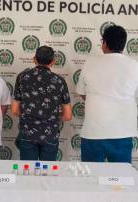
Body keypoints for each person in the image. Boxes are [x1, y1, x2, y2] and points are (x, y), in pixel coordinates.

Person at [76, 25, 138, 163]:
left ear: (104, 43)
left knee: (90, 178)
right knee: (120, 180)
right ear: (123, 44)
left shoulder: (90, 62)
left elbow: (81, 92)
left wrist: (96, 100)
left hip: (94, 131)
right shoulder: (134, 65)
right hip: (123, 131)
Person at [12, 45, 72, 161]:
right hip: (50, 135)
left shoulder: (22, 77)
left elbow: (14, 110)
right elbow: (68, 115)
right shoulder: (59, 81)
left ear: (34, 59)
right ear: (53, 62)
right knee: (48, 173)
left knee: (28, 172)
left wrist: (30, 117)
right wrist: (51, 119)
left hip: (27, 134)